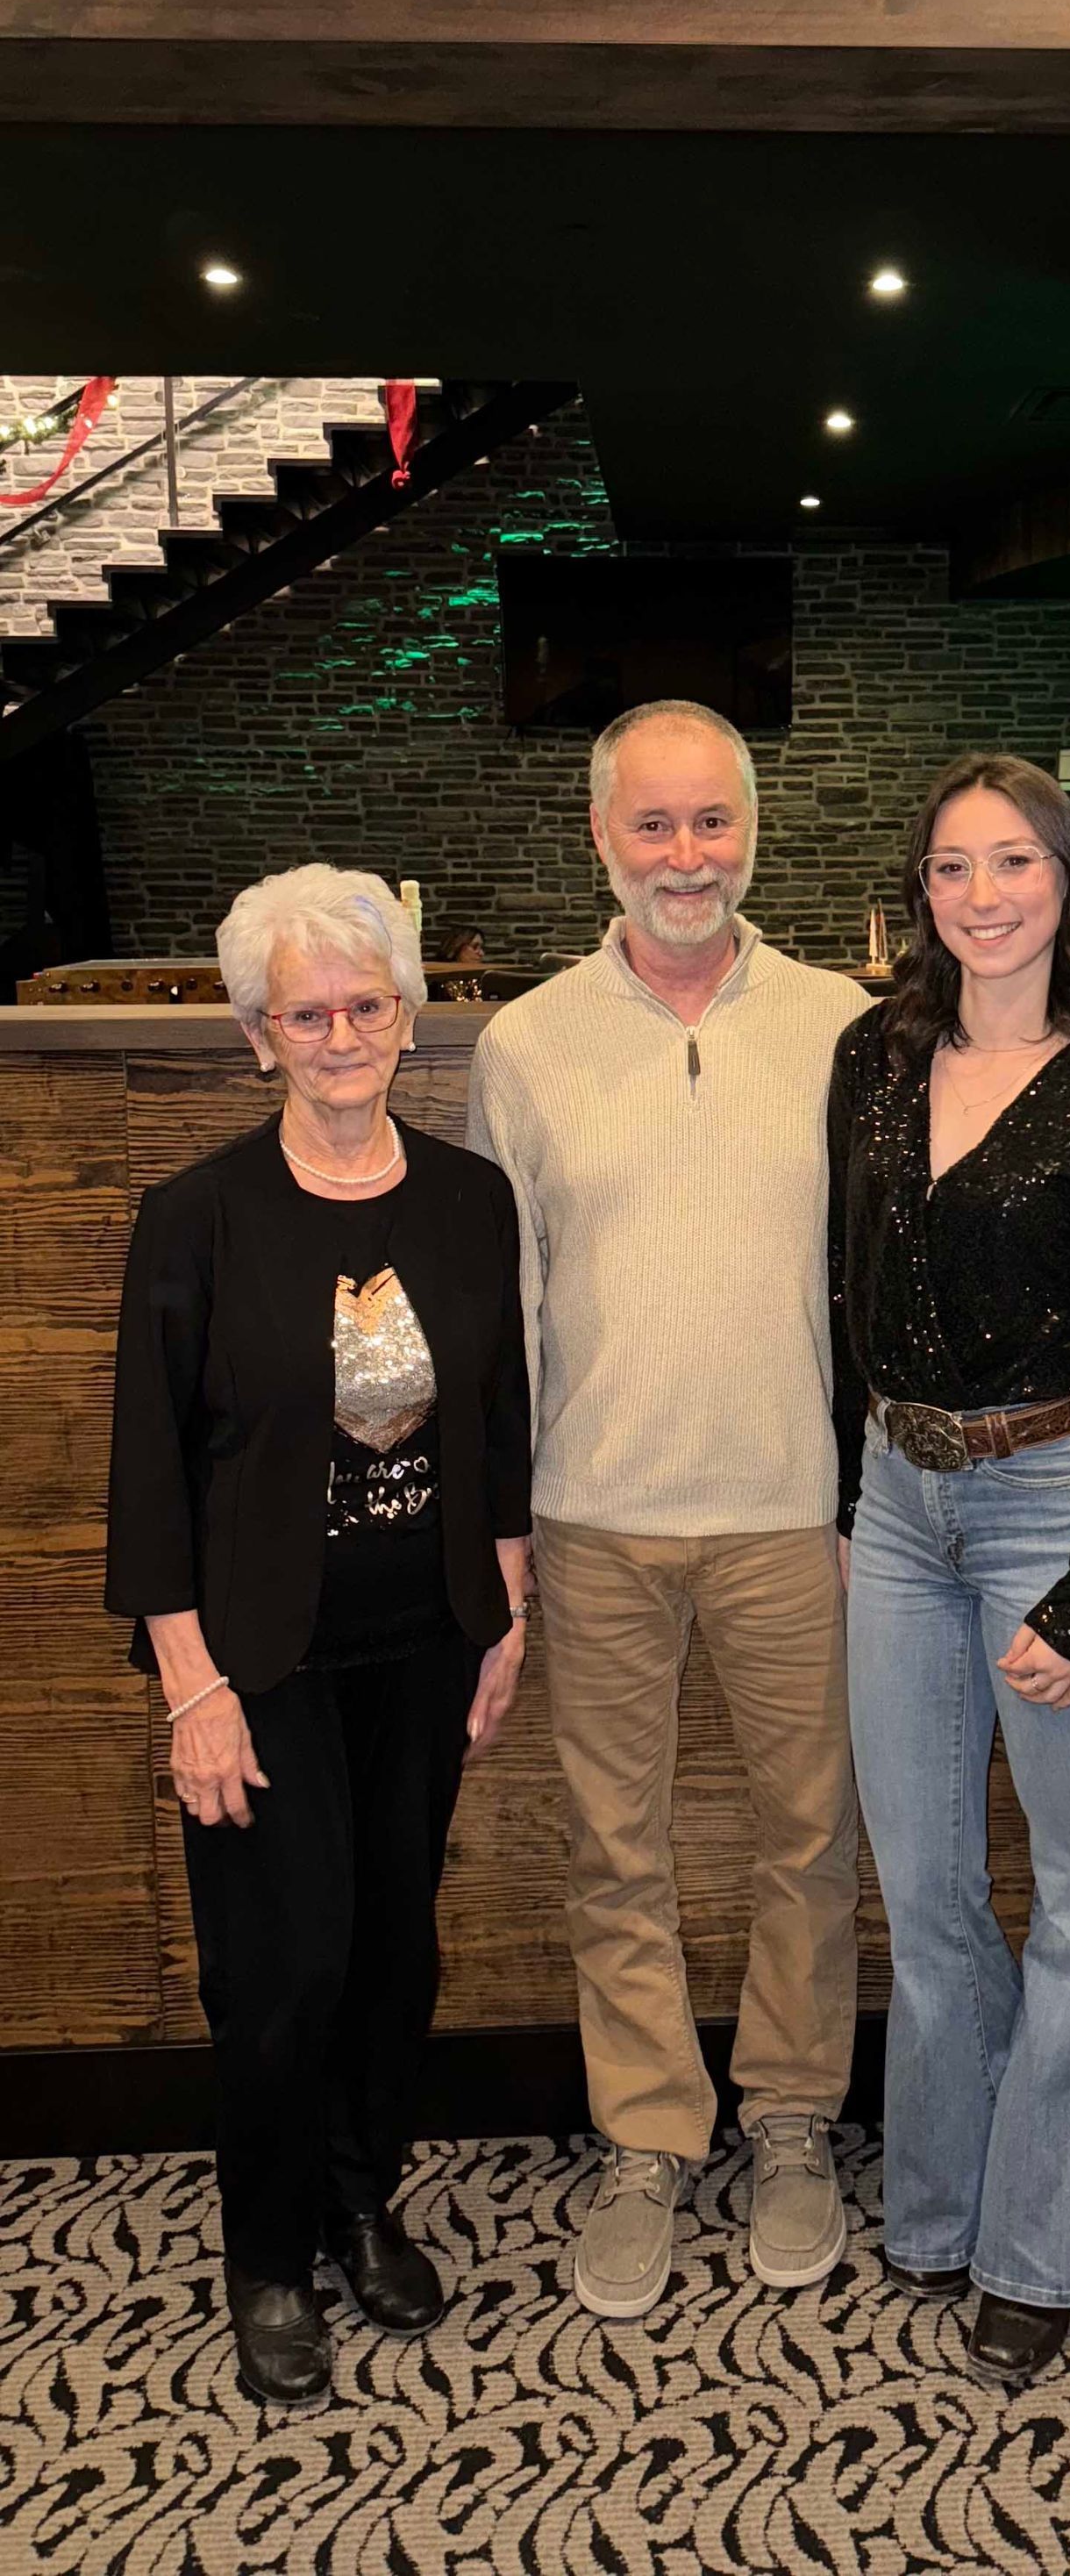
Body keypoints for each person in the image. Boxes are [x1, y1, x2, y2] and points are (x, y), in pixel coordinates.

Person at [104, 864, 532, 2408]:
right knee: (282, 1965)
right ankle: (268, 2251)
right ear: (257, 1035)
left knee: (393, 1947)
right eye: (308, 1012)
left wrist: (505, 1603)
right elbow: (149, 1469)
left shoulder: (470, 1200)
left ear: (410, 1017)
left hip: (424, 1636)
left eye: (368, 1003)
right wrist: (190, 1687)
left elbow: (497, 1416)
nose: (342, 1032)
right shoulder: (197, 1217)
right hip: (258, 1655)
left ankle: (362, 2198)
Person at [468, 701, 870, 2320]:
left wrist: (873, 1489)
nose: (686, 856)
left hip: (794, 1508)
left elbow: (872, 1285)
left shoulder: (849, 1027)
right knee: (614, 1851)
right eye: (656, 825)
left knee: (810, 1843)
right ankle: (646, 2132)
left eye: (712, 822)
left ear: (752, 831)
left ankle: (788, 2118)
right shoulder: (526, 1044)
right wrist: (505, 1536)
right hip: (597, 1515)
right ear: (601, 839)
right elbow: (507, 1310)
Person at [827, 751, 1070, 2391]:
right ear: (918, 893)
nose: (981, 896)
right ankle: (946, 2197)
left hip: (1055, 1495)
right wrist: (852, 1503)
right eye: (949, 868)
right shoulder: (871, 1055)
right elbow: (836, 1288)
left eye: (1013, 863)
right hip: (896, 1504)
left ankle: (1053, 2242)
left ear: (1068, 883)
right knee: (922, 1888)